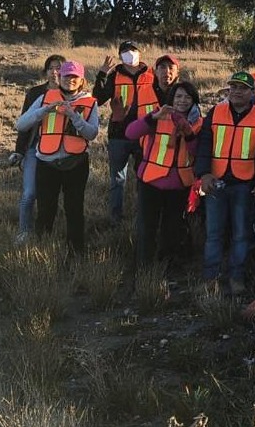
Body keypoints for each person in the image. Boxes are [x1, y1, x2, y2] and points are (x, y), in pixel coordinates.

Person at [193, 71, 255, 297]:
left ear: (252, 92)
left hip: (244, 184)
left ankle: (236, 277)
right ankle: (210, 278)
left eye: (243, 88)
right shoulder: (216, 111)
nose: (237, 91)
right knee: (213, 234)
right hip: (215, 182)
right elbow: (204, 145)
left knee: (241, 234)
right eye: (234, 87)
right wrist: (204, 174)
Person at [14, 61, 100, 256]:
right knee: (45, 210)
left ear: (81, 80)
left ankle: (75, 254)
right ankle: (41, 251)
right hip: (46, 163)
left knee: (74, 210)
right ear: (59, 78)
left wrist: (74, 116)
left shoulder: (90, 102)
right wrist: (44, 110)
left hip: (76, 164)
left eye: (74, 77)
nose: (70, 80)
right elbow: (21, 125)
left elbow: (92, 133)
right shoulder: (45, 98)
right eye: (66, 76)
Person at [127, 80, 203, 270]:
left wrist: (188, 133)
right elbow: (130, 133)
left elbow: (197, 152)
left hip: (179, 185)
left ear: (194, 100)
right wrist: (152, 117)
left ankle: (166, 267)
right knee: (147, 228)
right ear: (171, 99)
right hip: (151, 181)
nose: (182, 101)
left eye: (187, 97)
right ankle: (143, 268)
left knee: (172, 229)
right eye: (178, 96)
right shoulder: (159, 115)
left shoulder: (199, 122)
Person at [92, 40, 159, 224]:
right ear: (120, 56)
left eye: (133, 49)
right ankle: (115, 219)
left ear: (140, 52)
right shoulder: (114, 76)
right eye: (125, 51)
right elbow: (97, 99)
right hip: (119, 134)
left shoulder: (152, 74)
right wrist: (102, 74)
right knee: (117, 179)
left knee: (144, 178)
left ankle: (143, 217)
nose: (129, 53)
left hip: (144, 133)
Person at [11, 54, 66, 243]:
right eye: (51, 68)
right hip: (35, 149)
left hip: (60, 150)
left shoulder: (70, 93)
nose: (54, 72)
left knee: (50, 195)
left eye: (59, 68)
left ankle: (46, 233)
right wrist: (19, 151)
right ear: (46, 71)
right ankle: (24, 232)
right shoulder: (35, 94)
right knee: (29, 193)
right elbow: (24, 124)